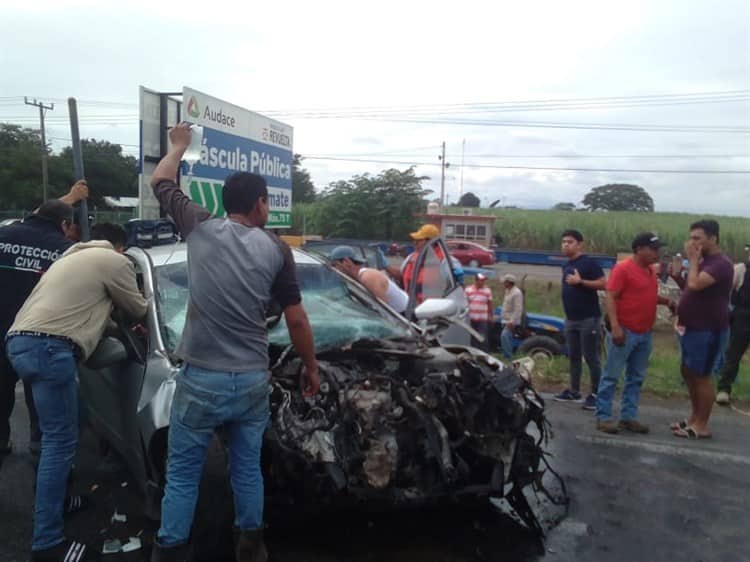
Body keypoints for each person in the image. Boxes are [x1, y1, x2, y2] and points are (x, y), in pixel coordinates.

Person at [149, 123, 319, 562]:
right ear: (260, 204)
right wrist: (311, 368)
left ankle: (170, 551)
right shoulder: (277, 250)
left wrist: (178, 146)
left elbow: (161, 181)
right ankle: (250, 546)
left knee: (183, 474)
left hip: (201, 378)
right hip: (250, 381)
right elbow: (297, 321)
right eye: (267, 201)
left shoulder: (199, 227)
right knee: (247, 469)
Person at [5, 222, 148, 562]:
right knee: (59, 442)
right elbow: (140, 310)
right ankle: (48, 544)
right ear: (120, 247)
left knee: (76, 419)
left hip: (20, 342)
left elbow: (88, 313)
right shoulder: (115, 261)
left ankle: (59, 499)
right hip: (51, 349)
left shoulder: (71, 259)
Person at [0, 181, 89, 457]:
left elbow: (41, 213)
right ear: (65, 224)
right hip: (38, 336)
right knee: (43, 403)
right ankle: (40, 449)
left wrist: (71, 198)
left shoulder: (3, 234)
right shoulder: (67, 251)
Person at [595, 233, 677, 434]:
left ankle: (628, 417)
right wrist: (615, 327)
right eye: (654, 249)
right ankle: (603, 416)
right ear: (639, 249)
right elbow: (611, 297)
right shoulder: (623, 269)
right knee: (611, 375)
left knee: (636, 377)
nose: (658, 253)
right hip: (625, 330)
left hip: (644, 332)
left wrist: (667, 301)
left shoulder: (649, 271)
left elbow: (645, 295)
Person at [671, 220, 733, 439]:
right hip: (691, 327)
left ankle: (702, 425)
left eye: (698, 238)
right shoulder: (704, 261)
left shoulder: (720, 263)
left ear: (713, 238)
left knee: (702, 375)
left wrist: (693, 260)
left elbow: (696, 284)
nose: (692, 243)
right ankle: (693, 418)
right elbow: (690, 288)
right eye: (691, 238)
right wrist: (678, 276)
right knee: (688, 372)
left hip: (709, 329)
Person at [554, 230, 607, 411]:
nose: (565, 245)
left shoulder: (589, 263)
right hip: (571, 319)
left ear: (580, 244)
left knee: (591, 357)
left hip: (588, 318)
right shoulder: (566, 265)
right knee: (574, 356)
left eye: (569, 242)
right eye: (563, 242)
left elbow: (604, 284)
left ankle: (596, 393)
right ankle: (574, 391)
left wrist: (581, 282)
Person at [330, 245, 409, 313]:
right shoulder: (356, 278)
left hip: (406, 315)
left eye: (334, 265)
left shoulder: (368, 277)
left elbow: (383, 310)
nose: (334, 269)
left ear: (346, 261)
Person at [716, 255, 750, 405]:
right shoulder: (741, 269)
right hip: (742, 316)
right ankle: (723, 389)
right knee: (733, 355)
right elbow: (726, 291)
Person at [465, 273, 493, 351]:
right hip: (471, 318)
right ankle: (474, 353)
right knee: (472, 337)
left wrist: (490, 316)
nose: (483, 282)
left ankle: (484, 353)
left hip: (482, 318)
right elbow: (465, 302)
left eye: (484, 280)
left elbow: (490, 303)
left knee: (483, 337)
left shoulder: (487, 290)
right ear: (476, 281)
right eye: (481, 280)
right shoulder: (468, 289)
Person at [500, 274, 523, 361]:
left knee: (504, 336)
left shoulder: (517, 293)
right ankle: (507, 355)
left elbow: (518, 309)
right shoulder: (507, 291)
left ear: (509, 282)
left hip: (511, 321)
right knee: (508, 338)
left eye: (505, 282)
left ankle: (508, 357)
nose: (503, 283)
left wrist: (512, 321)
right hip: (505, 319)